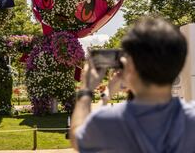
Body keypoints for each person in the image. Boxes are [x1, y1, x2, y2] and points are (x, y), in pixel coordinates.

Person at [70, 17, 194, 153]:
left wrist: (86, 88)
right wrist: (108, 92)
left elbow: (77, 138)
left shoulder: (108, 122)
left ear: (131, 66)